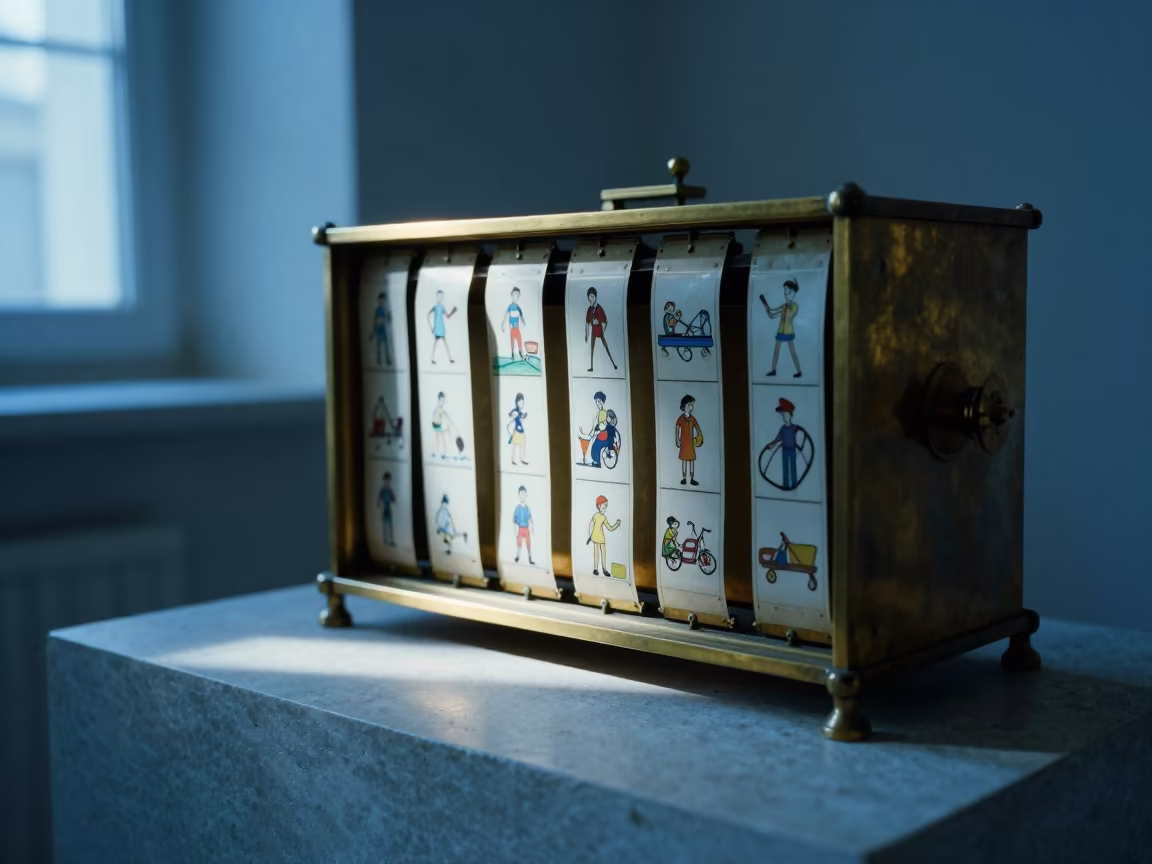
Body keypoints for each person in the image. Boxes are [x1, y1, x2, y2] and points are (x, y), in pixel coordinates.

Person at [759, 277, 802, 377]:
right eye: (785, 291)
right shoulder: (784, 306)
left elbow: (789, 316)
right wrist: (766, 307)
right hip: (780, 331)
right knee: (776, 352)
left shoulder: (794, 306)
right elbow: (772, 314)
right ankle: (773, 369)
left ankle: (798, 371)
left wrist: (784, 309)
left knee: (792, 352)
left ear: (794, 293)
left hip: (788, 332)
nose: (786, 294)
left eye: (789, 291)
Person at [766, 397, 802, 490]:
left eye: (786, 414)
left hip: (792, 450)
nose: (784, 417)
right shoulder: (783, 429)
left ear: (790, 415)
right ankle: (786, 484)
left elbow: (802, 434)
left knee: (793, 467)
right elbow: (777, 439)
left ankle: (794, 484)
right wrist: (771, 445)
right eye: (783, 415)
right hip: (785, 450)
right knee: (785, 468)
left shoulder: (794, 428)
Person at [587, 494, 621, 576]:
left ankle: (604, 569)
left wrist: (616, 524)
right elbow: (591, 524)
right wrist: (590, 535)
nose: (605, 508)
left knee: (603, 553)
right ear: (599, 506)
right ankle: (595, 569)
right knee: (597, 553)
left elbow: (610, 528)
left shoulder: (603, 517)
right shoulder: (596, 516)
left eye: (606, 506)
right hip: (595, 537)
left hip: (601, 538)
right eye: (604, 505)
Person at [584, 287, 616, 372]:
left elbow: (605, 321)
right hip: (594, 331)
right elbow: (587, 322)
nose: (591, 299)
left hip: (599, 330)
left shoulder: (598, 308)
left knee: (606, 347)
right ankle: (592, 366)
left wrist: (603, 329)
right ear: (588, 297)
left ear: (595, 297)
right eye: (590, 297)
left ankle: (613, 363)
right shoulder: (589, 310)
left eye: (593, 297)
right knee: (592, 348)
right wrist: (586, 334)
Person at [674, 394, 703, 486]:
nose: (691, 407)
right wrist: (677, 440)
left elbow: (698, 429)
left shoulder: (693, 419)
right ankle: (684, 478)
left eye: (692, 405)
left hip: (690, 444)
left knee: (691, 461)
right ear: (684, 406)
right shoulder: (680, 419)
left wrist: (699, 438)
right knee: (684, 461)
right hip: (684, 444)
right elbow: (677, 429)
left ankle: (692, 478)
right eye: (690, 404)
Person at [577, 391, 609, 466]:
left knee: (595, 447)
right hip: (597, 434)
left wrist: (597, 431)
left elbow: (602, 425)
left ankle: (596, 462)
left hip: (602, 435)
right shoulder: (598, 413)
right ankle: (593, 461)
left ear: (603, 402)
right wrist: (591, 433)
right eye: (596, 401)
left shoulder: (603, 412)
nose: (597, 403)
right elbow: (595, 426)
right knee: (593, 446)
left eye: (599, 401)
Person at [427, 289, 458, 364]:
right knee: (437, 342)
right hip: (437, 327)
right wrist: (431, 328)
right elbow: (428, 315)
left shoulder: (442, 307)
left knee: (443, 342)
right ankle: (433, 358)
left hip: (441, 327)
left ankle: (449, 358)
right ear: (437, 297)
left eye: (441, 297)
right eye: (439, 297)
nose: (440, 298)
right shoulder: (435, 307)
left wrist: (453, 312)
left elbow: (447, 316)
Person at [512, 485, 535, 565]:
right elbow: (514, 521)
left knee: (528, 544)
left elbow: (530, 518)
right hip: (520, 529)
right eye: (521, 494)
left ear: (526, 495)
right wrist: (515, 532)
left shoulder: (527, 508)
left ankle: (530, 558)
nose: (523, 496)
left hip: (526, 529)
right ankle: (517, 556)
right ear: (519, 495)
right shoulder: (517, 508)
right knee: (519, 544)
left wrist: (532, 528)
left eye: (524, 494)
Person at [430, 392, 457, 460]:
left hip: (437, 424)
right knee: (440, 437)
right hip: (436, 424)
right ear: (439, 399)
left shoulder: (440, 407)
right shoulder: (438, 407)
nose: (443, 401)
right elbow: (442, 414)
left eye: (444, 399)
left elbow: (445, 415)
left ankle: (442, 451)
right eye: (442, 399)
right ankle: (441, 451)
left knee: (440, 437)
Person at [502, 287, 526, 360]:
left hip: (517, 328)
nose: (517, 296)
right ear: (512, 295)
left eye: (518, 295)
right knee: (512, 340)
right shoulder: (510, 307)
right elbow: (505, 316)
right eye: (515, 294)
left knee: (519, 339)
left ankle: (520, 352)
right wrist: (502, 324)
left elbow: (521, 316)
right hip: (512, 328)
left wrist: (524, 322)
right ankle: (513, 354)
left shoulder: (518, 307)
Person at [370, 291, 393, 366]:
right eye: (380, 300)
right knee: (379, 346)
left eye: (383, 300)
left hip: (384, 329)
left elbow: (389, 319)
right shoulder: (377, 310)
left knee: (386, 346)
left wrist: (387, 317)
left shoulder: (385, 310)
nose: (381, 302)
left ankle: (387, 360)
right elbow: (375, 321)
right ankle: (379, 360)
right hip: (379, 329)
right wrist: (373, 333)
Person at [507, 392, 528, 465]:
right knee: (515, 446)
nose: (522, 404)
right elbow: (511, 414)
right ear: (517, 402)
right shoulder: (515, 411)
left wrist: (524, 416)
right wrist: (520, 415)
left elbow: (522, 416)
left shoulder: (520, 412)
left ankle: (522, 458)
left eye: (523, 403)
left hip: (521, 431)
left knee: (522, 444)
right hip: (516, 431)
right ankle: (513, 460)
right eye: (521, 403)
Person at [377, 472, 396, 546]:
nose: (387, 482)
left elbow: (393, 498)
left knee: (390, 525)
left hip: (389, 509)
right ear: (384, 480)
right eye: (386, 480)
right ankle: (385, 539)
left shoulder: (390, 490)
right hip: (385, 509)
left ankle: (391, 540)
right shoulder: (383, 489)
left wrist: (393, 500)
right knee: (385, 525)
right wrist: (378, 503)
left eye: (388, 480)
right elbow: (379, 497)